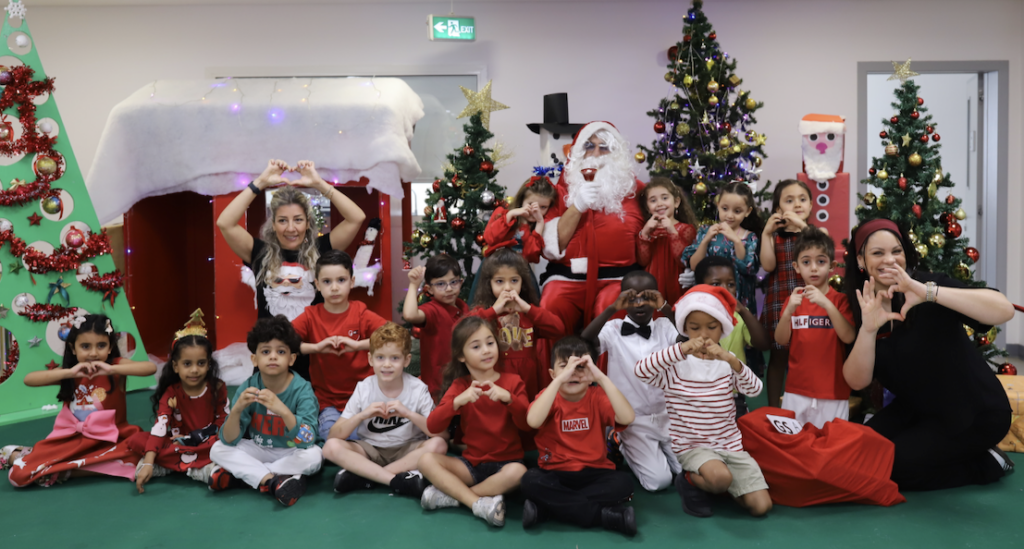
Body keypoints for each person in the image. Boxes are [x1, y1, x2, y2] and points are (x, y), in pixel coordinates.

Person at [842, 219, 1017, 490]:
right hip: (917, 408)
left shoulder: (926, 285)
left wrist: (929, 293)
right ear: (860, 260)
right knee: (858, 453)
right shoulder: (857, 303)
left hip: (974, 411)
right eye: (877, 253)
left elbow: (1004, 310)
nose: (890, 260)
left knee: (893, 468)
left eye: (896, 251)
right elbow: (857, 381)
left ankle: (988, 463)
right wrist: (867, 330)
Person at [216, 159, 366, 379]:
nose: (291, 228)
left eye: (298, 220)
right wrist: (260, 182)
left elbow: (357, 217)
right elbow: (225, 223)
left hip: (314, 358)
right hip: (271, 358)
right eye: (282, 220)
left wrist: (319, 184)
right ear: (273, 224)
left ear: (308, 223)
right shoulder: (259, 252)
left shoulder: (322, 249)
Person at [635, 285, 771, 518]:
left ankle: (717, 483)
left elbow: (755, 389)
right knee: (720, 478)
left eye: (712, 327)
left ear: (723, 328)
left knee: (761, 507)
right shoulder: (675, 363)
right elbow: (641, 371)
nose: (703, 334)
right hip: (693, 447)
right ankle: (689, 480)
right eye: (695, 328)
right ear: (685, 328)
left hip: (730, 447)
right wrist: (680, 349)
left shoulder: (727, 362)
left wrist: (732, 361)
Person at [4, 315, 157, 488]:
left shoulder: (116, 367)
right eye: (85, 346)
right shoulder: (71, 372)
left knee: (145, 451)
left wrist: (111, 369)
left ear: (110, 347)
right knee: (18, 476)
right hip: (73, 441)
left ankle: (61, 470)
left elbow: (150, 368)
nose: (93, 353)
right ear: (73, 348)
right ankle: (25, 457)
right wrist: (69, 373)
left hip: (113, 439)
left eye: (101, 345)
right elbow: (29, 379)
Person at [418, 316, 530, 528]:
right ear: (461, 355)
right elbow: (433, 426)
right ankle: (476, 503)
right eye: (476, 346)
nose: (486, 350)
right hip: (471, 466)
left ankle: (455, 497)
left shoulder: (512, 382)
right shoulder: (460, 386)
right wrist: (457, 402)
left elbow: (527, 423)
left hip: (506, 465)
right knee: (425, 460)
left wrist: (509, 399)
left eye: (490, 343)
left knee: (519, 472)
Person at [520, 336, 637, 535]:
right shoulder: (549, 397)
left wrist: (601, 378)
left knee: (624, 484)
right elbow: (533, 421)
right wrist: (558, 381)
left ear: (590, 373)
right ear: (552, 374)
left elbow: (627, 417)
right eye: (565, 366)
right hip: (555, 472)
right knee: (529, 481)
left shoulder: (597, 396)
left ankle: (548, 509)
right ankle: (604, 516)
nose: (572, 372)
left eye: (580, 367)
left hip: (595, 473)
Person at [540, 121, 646, 333]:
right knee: (551, 306)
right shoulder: (559, 191)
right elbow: (551, 247)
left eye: (604, 147)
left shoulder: (638, 191)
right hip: (567, 278)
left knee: (611, 310)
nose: (596, 153)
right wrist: (577, 206)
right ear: (578, 151)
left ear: (617, 153)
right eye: (589, 146)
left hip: (618, 280)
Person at [580, 271, 680, 492]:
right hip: (633, 420)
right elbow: (585, 340)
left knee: (687, 471)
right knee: (659, 482)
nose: (640, 303)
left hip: (670, 415)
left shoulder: (665, 326)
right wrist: (611, 309)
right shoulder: (613, 329)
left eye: (647, 297)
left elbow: (687, 335)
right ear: (623, 298)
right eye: (632, 298)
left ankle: (659, 452)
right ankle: (620, 441)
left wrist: (665, 307)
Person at [208, 316, 322, 507]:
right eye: (266, 351)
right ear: (254, 359)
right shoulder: (249, 386)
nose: (273, 356)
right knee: (217, 449)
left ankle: (247, 476)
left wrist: (283, 411)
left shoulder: (303, 389)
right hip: (259, 448)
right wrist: (236, 411)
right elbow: (228, 440)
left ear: (292, 359)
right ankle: (273, 481)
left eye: (281, 351)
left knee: (314, 457)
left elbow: (308, 439)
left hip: (292, 450)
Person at [324, 322, 447, 498]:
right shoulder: (364, 388)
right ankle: (395, 480)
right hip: (371, 450)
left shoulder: (418, 388)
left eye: (395, 358)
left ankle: (368, 476)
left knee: (439, 444)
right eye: (380, 357)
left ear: (406, 360)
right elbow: (334, 435)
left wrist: (408, 413)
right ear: (370, 359)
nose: (387, 364)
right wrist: (362, 415)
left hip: (408, 450)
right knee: (330, 447)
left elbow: (441, 434)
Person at [129, 311, 230, 493]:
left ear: (209, 364)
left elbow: (224, 421)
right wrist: (149, 462)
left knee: (229, 443)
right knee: (137, 440)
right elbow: (160, 427)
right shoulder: (171, 393)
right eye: (187, 364)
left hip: (207, 441)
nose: (194, 370)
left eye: (201, 363)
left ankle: (171, 465)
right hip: (178, 443)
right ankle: (199, 468)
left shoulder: (217, 388)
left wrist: (197, 437)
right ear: (175, 366)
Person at [293, 250, 387, 440]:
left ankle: (360, 449)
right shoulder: (310, 316)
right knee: (331, 435)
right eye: (327, 282)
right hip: (329, 403)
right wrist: (316, 348)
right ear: (317, 285)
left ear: (352, 282)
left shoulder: (361, 313)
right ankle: (360, 449)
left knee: (381, 433)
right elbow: (282, 343)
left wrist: (358, 345)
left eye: (341, 280)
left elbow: (395, 338)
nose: (334, 288)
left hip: (367, 397)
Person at [774, 228, 855, 428]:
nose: (813, 268)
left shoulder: (840, 300)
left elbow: (848, 337)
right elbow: (781, 340)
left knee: (831, 443)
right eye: (806, 262)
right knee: (795, 442)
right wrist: (788, 312)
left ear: (832, 266)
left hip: (833, 392)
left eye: (820, 261)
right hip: (796, 390)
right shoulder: (793, 300)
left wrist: (827, 304)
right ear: (796, 267)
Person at [470, 248, 565, 399]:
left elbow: (558, 329)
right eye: (499, 281)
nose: (508, 287)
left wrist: (527, 309)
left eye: (514, 280)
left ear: (523, 282)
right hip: (496, 386)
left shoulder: (529, 313)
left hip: (529, 385)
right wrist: (494, 311)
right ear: (489, 284)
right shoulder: (484, 312)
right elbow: (465, 329)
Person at [760, 179, 815, 408]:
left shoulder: (814, 233)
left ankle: (806, 404)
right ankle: (773, 408)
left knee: (807, 354)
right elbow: (768, 265)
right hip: (780, 301)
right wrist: (766, 234)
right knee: (778, 357)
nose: (797, 204)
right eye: (789, 200)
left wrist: (802, 226)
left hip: (809, 300)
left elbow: (820, 248)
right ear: (778, 209)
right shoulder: (774, 237)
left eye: (802, 199)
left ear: (811, 205)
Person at [695, 256, 771, 417]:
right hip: (699, 399)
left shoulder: (738, 317)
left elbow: (763, 344)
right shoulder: (691, 318)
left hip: (733, 398)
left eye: (730, 284)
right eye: (716, 284)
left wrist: (743, 311)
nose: (724, 289)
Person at [682, 181, 763, 314]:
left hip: (739, 302)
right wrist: (705, 240)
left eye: (737, 211)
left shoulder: (750, 237)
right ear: (718, 205)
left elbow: (747, 267)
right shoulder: (705, 231)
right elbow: (695, 266)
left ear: (747, 212)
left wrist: (736, 240)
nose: (729, 215)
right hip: (709, 299)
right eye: (725, 209)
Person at [403, 254, 470, 398]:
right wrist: (414, 285)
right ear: (429, 289)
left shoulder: (464, 309)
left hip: (464, 383)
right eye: (440, 284)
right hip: (438, 388)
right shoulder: (432, 310)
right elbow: (410, 315)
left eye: (454, 282)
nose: (449, 289)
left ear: (461, 282)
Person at [637, 176, 698, 305]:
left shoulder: (686, 229)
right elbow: (643, 260)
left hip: (675, 284)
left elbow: (683, 260)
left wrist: (672, 231)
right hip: (653, 284)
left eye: (664, 198)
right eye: (653, 200)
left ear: (676, 202)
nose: (659, 203)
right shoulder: (649, 230)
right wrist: (645, 233)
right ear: (648, 207)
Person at [483, 174, 557, 263]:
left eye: (543, 207)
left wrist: (540, 222)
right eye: (531, 204)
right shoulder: (502, 213)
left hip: (518, 268)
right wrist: (510, 215)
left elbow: (531, 256)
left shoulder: (542, 226)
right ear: (521, 200)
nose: (536, 210)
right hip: (495, 265)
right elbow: (490, 239)